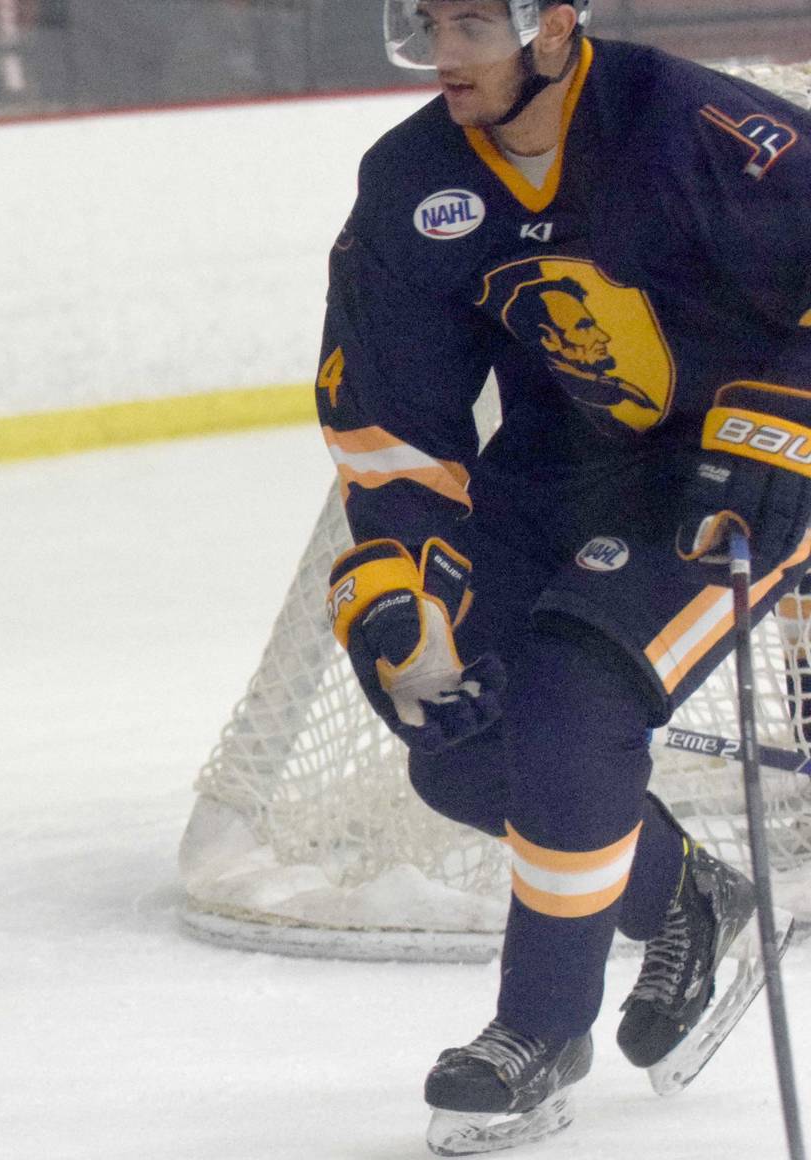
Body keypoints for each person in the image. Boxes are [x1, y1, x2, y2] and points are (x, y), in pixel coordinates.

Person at [317, 1, 808, 1152]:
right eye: (424, 23)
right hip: (555, 467)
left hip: (732, 471)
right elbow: (390, 415)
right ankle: (685, 892)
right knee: (454, 741)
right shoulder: (409, 177)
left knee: (573, 701)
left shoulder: (687, 121)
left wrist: (786, 413)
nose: (443, 55)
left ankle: (537, 1030)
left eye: (472, 24)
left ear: (551, 27)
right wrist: (397, 576)